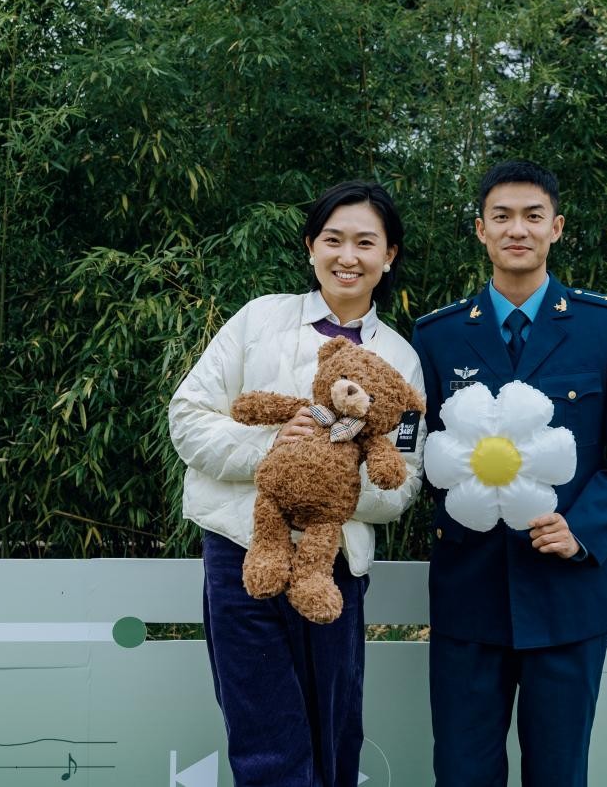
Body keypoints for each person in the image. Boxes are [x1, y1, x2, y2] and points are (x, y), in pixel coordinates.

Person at [410, 160, 607, 786]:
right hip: (470, 590)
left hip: (570, 592)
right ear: (481, 230)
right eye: (501, 217)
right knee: (462, 773)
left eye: (532, 216)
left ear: (557, 227)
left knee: (558, 773)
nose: (517, 229)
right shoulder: (438, 336)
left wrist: (582, 529)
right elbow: (417, 456)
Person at [168, 181, 426, 787]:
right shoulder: (259, 318)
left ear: (389, 255)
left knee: (333, 733)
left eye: (365, 243)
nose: (347, 257)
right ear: (311, 247)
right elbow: (188, 418)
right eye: (333, 240)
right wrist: (273, 454)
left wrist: (330, 481)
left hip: (334, 563)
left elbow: (403, 482)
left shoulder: (402, 360)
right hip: (241, 550)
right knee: (263, 734)